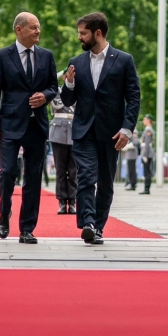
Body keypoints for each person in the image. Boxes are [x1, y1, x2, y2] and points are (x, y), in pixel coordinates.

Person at [60, 12, 142, 245]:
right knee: (85, 175)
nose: (79, 37)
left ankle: (98, 227)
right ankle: (87, 223)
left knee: (105, 182)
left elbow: (133, 97)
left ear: (98, 33)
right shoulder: (76, 62)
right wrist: (69, 84)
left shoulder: (124, 60)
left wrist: (127, 128)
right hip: (83, 131)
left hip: (112, 133)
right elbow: (67, 100)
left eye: (83, 33)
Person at [0, 12, 59, 244]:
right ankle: (4, 212)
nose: (38, 31)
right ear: (19, 30)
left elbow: (53, 87)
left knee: (33, 178)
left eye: (39, 28)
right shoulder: (1, 57)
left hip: (37, 125)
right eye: (33, 28)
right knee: (7, 172)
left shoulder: (47, 56)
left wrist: (45, 96)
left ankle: (27, 228)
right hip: (9, 124)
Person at [49, 93, 77, 214]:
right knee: (60, 170)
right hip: (58, 133)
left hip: (74, 133)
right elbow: (56, 105)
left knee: (73, 171)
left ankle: (72, 201)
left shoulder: (79, 90)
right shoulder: (57, 93)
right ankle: (61, 201)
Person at [139, 116, 155, 194]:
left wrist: (145, 154)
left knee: (147, 172)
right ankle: (146, 188)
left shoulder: (148, 130)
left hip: (147, 153)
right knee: (146, 171)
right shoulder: (147, 129)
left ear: (148, 120)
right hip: (146, 153)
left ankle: (147, 189)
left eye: (144, 119)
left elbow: (147, 143)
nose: (143, 121)